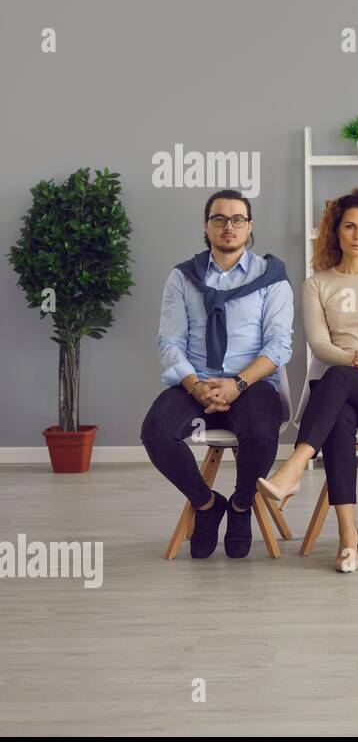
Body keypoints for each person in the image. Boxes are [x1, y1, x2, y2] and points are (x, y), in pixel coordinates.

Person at [256, 189, 358, 573]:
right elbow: (319, 344)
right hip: (337, 387)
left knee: (340, 381)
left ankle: (294, 465)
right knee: (339, 413)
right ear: (336, 232)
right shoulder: (317, 283)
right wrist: (354, 358)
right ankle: (349, 537)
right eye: (349, 226)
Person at [140, 189, 293, 559]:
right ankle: (208, 505)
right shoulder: (182, 277)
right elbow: (169, 341)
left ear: (249, 226)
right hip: (196, 380)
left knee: (260, 432)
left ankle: (241, 508)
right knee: (156, 433)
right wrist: (194, 384)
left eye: (237, 219)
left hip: (250, 383)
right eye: (219, 219)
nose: (229, 226)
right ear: (206, 226)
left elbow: (278, 346)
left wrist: (238, 383)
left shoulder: (271, 277)